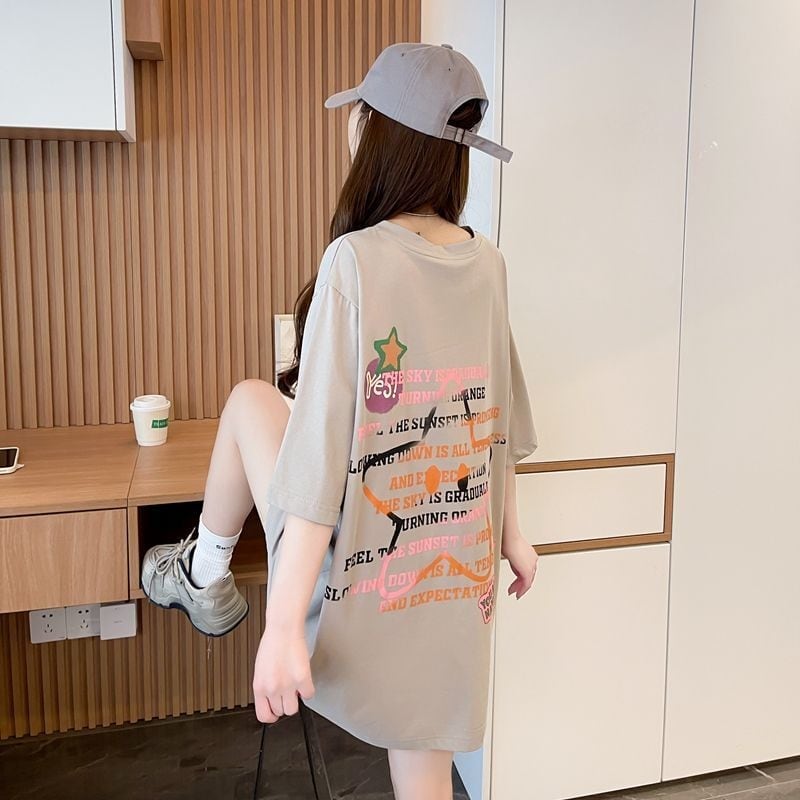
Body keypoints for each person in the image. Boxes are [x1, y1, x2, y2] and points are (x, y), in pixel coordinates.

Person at [140, 41, 540, 800]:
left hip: (359, 575)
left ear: (379, 135)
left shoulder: (354, 262)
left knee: (249, 400)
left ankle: (203, 572)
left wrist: (282, 622)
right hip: (450, 574)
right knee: (424, 757)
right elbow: (495, 423)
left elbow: (319, 467)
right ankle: (202, 570)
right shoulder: (487, 264)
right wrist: (512, 536)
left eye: (360, 115)